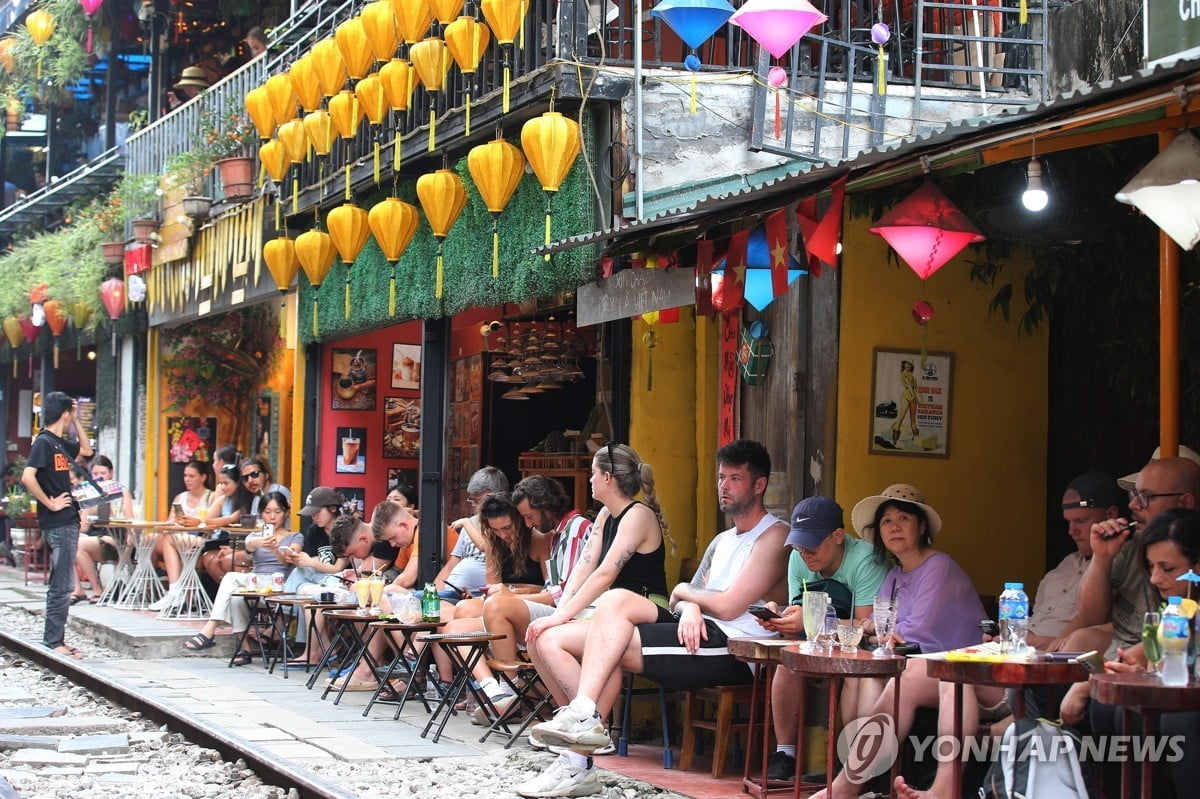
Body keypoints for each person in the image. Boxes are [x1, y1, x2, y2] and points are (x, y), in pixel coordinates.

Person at [519, 439, 787, 799]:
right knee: (608, 633)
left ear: (760, 484)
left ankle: (580, 737)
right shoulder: (722, 540)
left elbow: (726, 606)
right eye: (721, 477)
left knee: (612, 616)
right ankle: (579, 749)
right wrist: (691, 605)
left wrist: (690, 601)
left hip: (733, 649)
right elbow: (686, 595)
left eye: (735, 478)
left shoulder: (775, 534)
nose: (723, 486)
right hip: (699, 631)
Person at [819, 484, 987, 799]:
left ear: (921, 526)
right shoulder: (895, 575)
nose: (894, 526)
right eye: (886, 521)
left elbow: (914, 631)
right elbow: (882, 628)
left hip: (974, 675)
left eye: (904, 518)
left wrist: (877, 630)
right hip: (927, 671)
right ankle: (861, 781)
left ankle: (852, 783)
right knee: (863, 678)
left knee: (889, 677)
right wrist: (876, 629)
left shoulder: (940, 565)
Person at [1058, 454, 1200, 725]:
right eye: (1134, 494)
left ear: (1185, 502)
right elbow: (1092, 616)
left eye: (1146, 496)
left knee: (1173, 720)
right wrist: (1101, 558)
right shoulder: (1128, 542)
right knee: (1107, 705)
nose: (1133, 504)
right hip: (1132, 666)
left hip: (1169, 679)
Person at [758, 495, 888, 783]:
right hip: (817, 643)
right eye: (799, 544)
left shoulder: (866, 560)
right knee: (787, 661)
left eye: (812, 544)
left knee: (855, 675)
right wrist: (780, 617)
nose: (804, 552)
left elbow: (867, 626)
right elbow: (798, 609)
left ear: (838, 536)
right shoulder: (797, 558)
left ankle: (853, 762)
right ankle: (785, 753)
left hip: (859, 650)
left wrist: (810, 622)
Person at [1088, 508, 1200, 795]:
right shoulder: (1176, 610)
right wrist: (1145, 675)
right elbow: (1160, 663)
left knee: (1177, 718)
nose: (1154, 578)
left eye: (1168, 568)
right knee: (1113, 707)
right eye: (1151, 567)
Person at [465, 475, 593, 721]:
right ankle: (501, 692)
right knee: (460, 622)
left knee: (496, 606)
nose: (527, 522)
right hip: (560, 609)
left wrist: (515, 594)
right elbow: (556, 587)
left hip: (573, 614)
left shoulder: (574, 529)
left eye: (528, 516)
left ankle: (509, 692)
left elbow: (565, 594)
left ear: (544, 505)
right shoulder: (559, 533)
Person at [181, 492, 301, 662]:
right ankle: (242, 648)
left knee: (234, 589)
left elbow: (289, 559)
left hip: (278, 587)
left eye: (278, 511)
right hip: (256, 583)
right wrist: (259, 542)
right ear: (261, 514)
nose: (272, 517)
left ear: (286, 512)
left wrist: (275, 548)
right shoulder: (255, 536)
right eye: (267, 512)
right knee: (234, 589)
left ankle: (210, 631)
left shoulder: (295, 536)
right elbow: (249, 545)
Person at [22, 391, 93, 658]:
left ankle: (55, 639)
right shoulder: (43, 442)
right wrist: (50, 503)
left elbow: (86, 451)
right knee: (62, 584)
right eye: (70, 414)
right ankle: (54, 641)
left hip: (66, 520)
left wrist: (75, 420)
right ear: (63, 413)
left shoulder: (58, 443)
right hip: (58, 519)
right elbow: (28, 476)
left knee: (62, 582)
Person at [324, 504, 419, 691]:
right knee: (374, 600)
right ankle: (373, 664)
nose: (392, 544)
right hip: (410, 594)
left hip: (425, 597)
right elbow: (398, 574)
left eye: (352, 554)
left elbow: (405, 578)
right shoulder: (403, 539)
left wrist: (378, 581)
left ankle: (380, 668)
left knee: (379, 599)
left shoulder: (415, 536)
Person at [432, 467, 508, 605]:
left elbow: (486, 546)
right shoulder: (471, 523)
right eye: (474, 500)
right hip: (453, 593)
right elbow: (450, 566)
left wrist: (466, 523)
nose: (477, 507)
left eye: (481, 500)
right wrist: (431, 593)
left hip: (479, 597)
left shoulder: (503, 526)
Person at [74, 455, 135, 603]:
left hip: (115, 537)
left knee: (77, 545)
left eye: (103, 474)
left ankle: (97, 590)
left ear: (111, 473)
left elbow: (130, 519)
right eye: (95, 474)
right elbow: (84, 528)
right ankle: (78, 589)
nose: (100, 477)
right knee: (67, 541)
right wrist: (84, 507)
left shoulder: (121, 491)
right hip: (94, 536)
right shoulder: (90, 491)